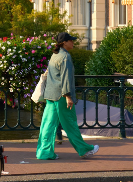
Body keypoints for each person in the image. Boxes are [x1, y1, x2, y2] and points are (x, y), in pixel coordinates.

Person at [36, 32, 99, 161]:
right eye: (71, 40)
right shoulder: (65, 57)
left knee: (47, 125)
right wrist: (68, 97)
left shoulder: (55, 55)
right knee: (70, 124)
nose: (73, 42)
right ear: (64, 42)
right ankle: (84, 150)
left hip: (50, 95)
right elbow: (66, 79)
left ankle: (44, 152)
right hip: (61, 97)